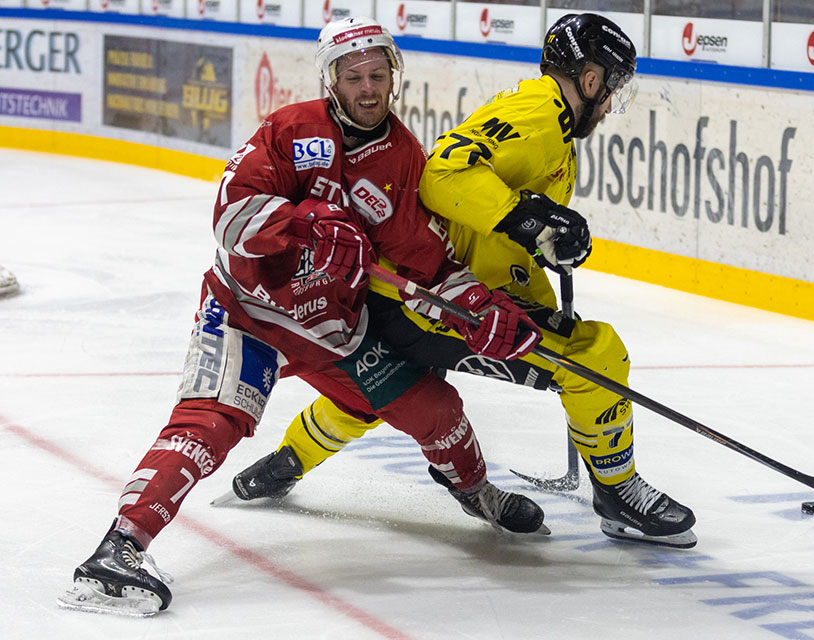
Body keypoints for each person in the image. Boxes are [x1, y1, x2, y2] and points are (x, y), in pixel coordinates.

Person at [58, 17, 547, 617]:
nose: (368, 89)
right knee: (212, 422)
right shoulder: (291, 130)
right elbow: (230, 219)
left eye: (377, 75)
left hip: (332, 327)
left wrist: (477, 306)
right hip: (249, 314)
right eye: (354, 77)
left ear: (393, 77)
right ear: (331, 81)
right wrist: (302, 223)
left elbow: (421, 256)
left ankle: (475, 492)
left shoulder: (401, 155)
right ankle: (120, 548)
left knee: (436, 408)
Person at [234, 14, 697, 549]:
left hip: (429, 288)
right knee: (595, 357)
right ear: (590, 80)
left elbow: (496, 215)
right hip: (437, 297)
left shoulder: (546, 117)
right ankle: (618, 494)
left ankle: (288, 459)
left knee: (389, 384)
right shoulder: (541, 116)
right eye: (611, 84)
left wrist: (545, 236)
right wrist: (527, 219)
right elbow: (444, 175)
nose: (612, 99)